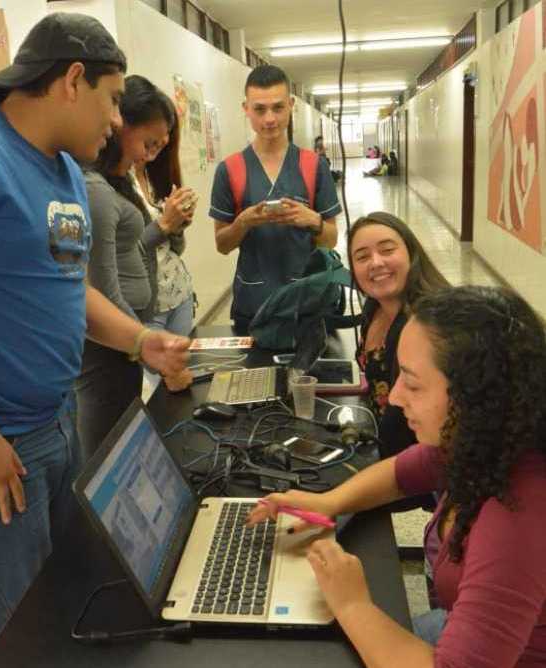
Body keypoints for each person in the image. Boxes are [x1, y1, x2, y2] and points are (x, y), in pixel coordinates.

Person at [0, 14, 189, 659]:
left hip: (55, 422)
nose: (116, 121)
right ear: (73, 79)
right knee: (21, 618)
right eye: (112, 99)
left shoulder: (68, 173)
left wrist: (140, 341)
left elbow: (70, 287)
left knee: (64, 586)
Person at [248, 285, 546, 667]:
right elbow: (403, 471)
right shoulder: (487, 440)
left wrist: (352, 604)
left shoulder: (518, 513)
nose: (396, 396)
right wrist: (328, 502)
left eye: (413, 382)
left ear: (476, 397)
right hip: (463, 630)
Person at [76, 75, 193, 460]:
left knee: (123, 435)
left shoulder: (120, 183)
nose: (150, 156)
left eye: (159, 147)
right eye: (148, 143)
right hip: (112, 347)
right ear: (120, 122)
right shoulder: (94, 189)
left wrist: (171, 228)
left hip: (126, 342)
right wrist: (143, 342)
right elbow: (102, 289)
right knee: (106, 451)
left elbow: (141, 254)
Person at [210, 64, 342, 333]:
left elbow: (330, 239)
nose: (269, 118)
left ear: (291, 105)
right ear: (245, 108)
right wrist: (243, 223)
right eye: (259, 109)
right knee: (254, 374)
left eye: (278, 108)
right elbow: (222, 245)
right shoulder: (231, 169)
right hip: (254, 306)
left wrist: (313, 220)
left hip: (307, 304)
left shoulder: (313, 166)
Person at [348, 212, 449, 459]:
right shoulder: (373, 308)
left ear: (411, 253)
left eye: (387, 250)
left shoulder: (427, 325)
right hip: (387, 449)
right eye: (362, 257)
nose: (376, 262)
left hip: (421, 463)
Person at [132, 87, 197, 338]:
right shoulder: (110, 183)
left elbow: (173, 249)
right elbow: (123, 256)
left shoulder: (153, 175)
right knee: (151, 377)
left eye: (168, 134)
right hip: (147, 307)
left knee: (180, 374)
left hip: (178, 293)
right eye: (157, 135)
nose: (164, 141)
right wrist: (164, 224)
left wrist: (178, 226)